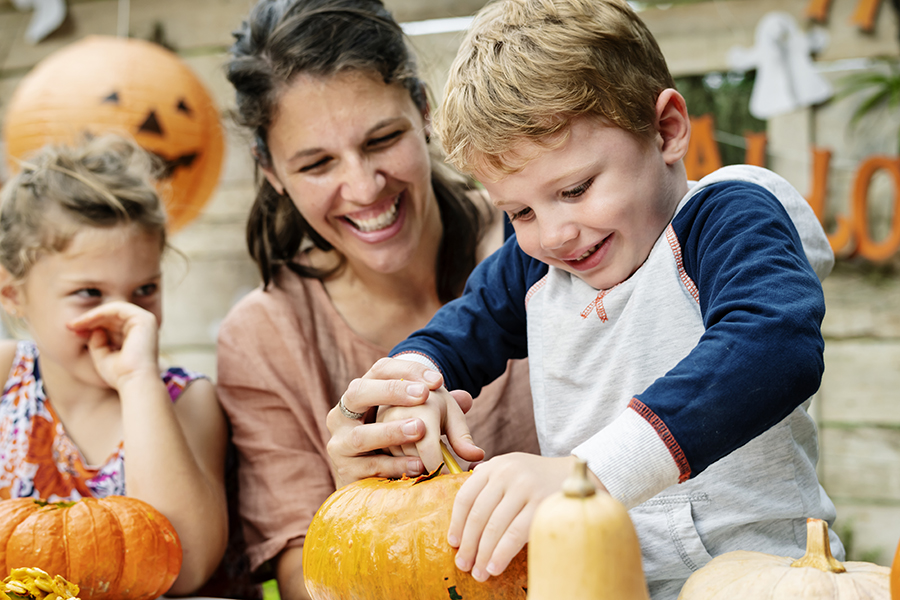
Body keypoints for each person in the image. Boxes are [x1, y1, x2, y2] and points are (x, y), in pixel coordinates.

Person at [340, 1, 844, 598]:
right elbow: (457, 333)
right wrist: (411, 391)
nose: (554, 234)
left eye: (575, 189)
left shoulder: (723, 218)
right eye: (521, 210)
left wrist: (585, 477)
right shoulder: (536, 267)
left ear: (666, 130)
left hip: (766, 580)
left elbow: (771, 348)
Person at [215, 1, 539, 598]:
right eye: (316, 163)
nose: (364, 188)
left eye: (383, 138)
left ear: (423, 110)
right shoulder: (265, 338)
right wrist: (355, 504)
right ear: (270, 170)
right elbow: (301, 583)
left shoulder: (551, 242)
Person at [0, 135, 228, 595]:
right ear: (14, 294)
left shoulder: (186, 400)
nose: (126, 319)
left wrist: (137, 379)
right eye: (89, 293)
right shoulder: (5, 376)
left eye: (144, 290)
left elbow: (183, 567)